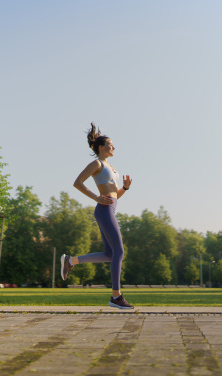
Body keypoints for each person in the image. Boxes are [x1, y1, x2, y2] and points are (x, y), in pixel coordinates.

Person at [60, 123, 134, 309]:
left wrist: (124, 188)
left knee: (111, 254)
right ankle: (116, 297)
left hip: (110, 209)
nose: (113, 147)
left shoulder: (111, 167)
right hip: (103, 210)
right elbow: (77, 183)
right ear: (101, 147)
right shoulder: (97, 164)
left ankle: (71, 260)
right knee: (120, 252)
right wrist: (96, 198)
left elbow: (115, 194)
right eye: (110, 144)